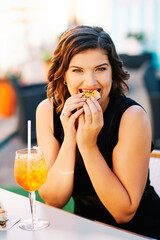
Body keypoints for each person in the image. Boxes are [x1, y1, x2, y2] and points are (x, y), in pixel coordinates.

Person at [36, 25, 160, 239]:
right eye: (77, 70)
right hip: (86, 231)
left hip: (140, 232)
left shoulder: (132, 117)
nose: (91, 82)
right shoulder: (47, 111)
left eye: (101, 69)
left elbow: (124, 213)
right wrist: (70, 136)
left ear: (113, 71)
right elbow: (53, 199)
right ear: (63, 74)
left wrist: (88, 145)